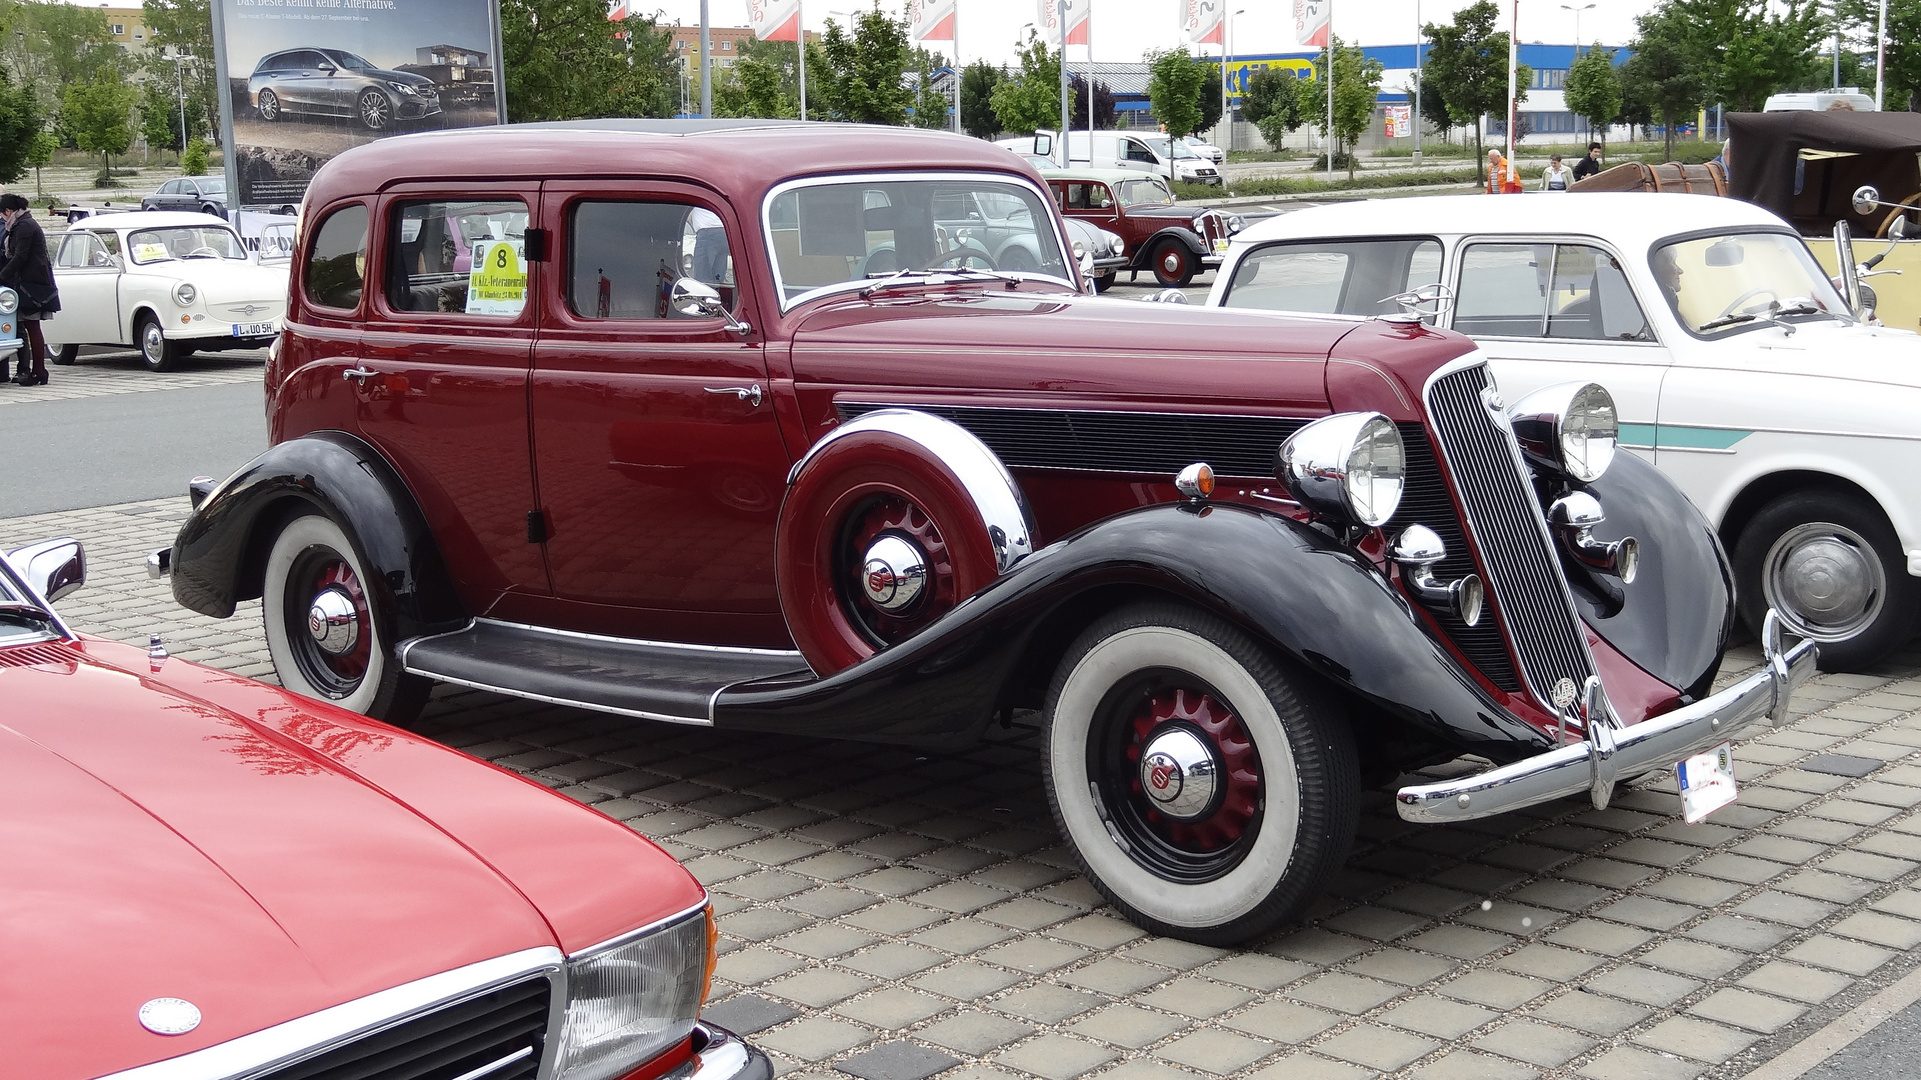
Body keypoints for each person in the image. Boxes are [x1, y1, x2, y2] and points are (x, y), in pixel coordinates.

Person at [0, 193, 58, 387]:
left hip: (32, 283)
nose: (2, 218)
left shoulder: (24, 226)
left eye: (2, 214)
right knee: (30, 326)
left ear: (8, 211)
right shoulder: (22, 223)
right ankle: (38, 370)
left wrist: (2, 275)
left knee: (32, 327)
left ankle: (39, 370)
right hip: (28, 282)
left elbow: (20, 256)